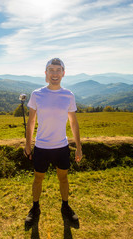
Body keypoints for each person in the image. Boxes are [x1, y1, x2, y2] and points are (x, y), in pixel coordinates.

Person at [24, 58, 82, 230]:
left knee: (63, 178)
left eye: (58, 70)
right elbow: (31, 121)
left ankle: (65, 206)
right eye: (51, 70)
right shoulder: (37, 94)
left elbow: (73, 123)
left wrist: (78, 146)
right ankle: (35, 208)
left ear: (63, 73)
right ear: (46, 74)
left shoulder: (69, 95)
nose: (55, 73)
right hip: (41, 147)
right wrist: (28, 144)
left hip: (61, 147)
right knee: (38, 178)